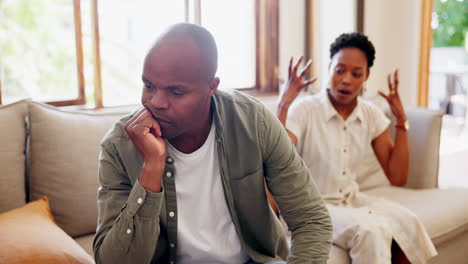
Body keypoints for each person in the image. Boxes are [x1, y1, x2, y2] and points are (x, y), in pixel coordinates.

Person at [93, 23, 332, 264]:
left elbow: (311, 219)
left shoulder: (254, 122)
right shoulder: (119, 146)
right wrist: (151, 169)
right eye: (149, 86)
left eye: (176, 92)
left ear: (212, 87)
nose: (156, 102)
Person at [277, 32, 437, 264]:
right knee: (371, 231)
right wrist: (284, 103)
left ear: (366, 76)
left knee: (408, 222)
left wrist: (401, 120)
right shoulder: (305, 110)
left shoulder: (370, 114)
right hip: (308, 206)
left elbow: (398, 177)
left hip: (349, 199)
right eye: (339, 70)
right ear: (329, 68)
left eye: (356, 73)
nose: (346, 80)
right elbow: (276, 157)